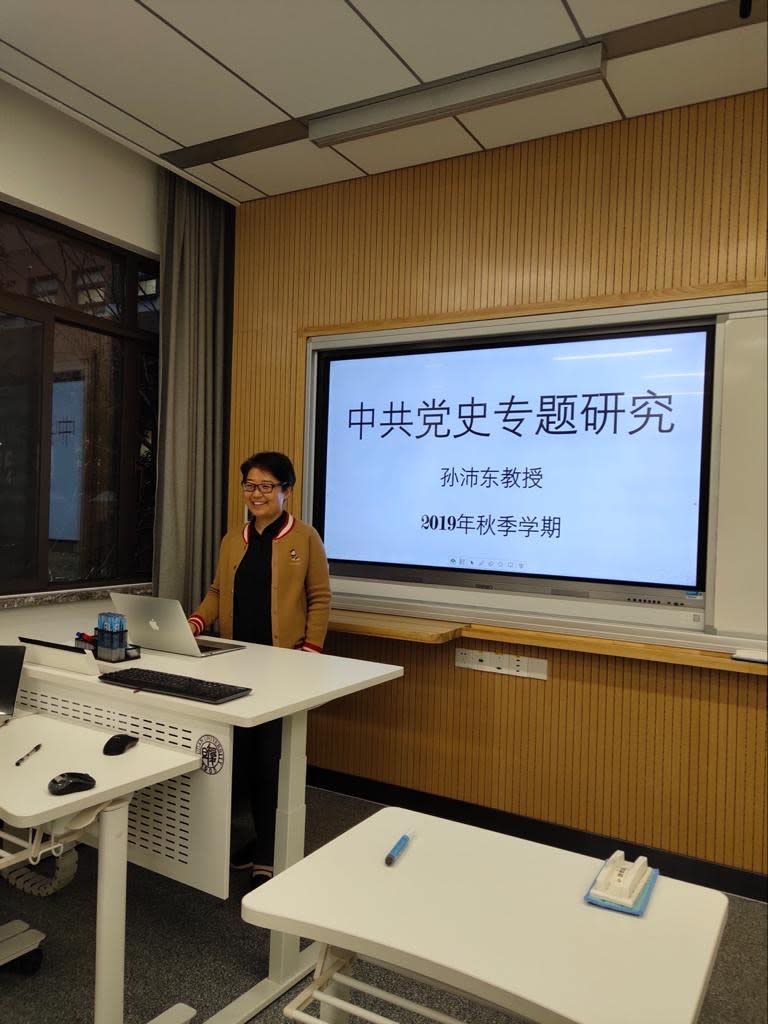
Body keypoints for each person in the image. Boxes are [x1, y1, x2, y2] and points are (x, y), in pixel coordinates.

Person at [188, 451, 330, 884]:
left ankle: (269, 849)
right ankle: (245, 840)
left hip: (281, 667)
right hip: (235, 662)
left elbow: (320, 599)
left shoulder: (305, 538)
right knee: (241, 757)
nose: (257, 494)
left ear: (286, 491)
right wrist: (195, 621)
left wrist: (309, 653)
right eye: (250, 485)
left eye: (268, 486)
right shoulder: (234, 538)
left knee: (271, 758)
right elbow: (217, 590)